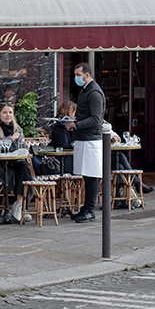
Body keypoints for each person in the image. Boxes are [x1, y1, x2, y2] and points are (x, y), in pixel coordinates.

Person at [65, 62, 105, 223]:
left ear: (86, 75)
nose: (76, 78)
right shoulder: (86, 90)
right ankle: (85, 209)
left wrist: (75, 124)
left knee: (91, 175)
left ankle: (89, 210)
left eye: (78, 75)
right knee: (86, 175)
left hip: (91, 139)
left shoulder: (94, 93)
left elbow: (96, 119)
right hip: (83, 137)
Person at [0, 102, 34, 226]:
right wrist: (11, 138)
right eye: (5, 112)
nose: (8, 115)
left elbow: (22, 147)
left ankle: (18, 206)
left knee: (23, 167)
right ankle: (16, 209)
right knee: (20, 171)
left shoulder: (17, 128)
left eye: (10, 112)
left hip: (14, 163)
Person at [48, 101, 76, 174]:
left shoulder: (73, 128)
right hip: (60, 160)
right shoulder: (59, 127)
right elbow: (63, 145)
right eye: (74, 113)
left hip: (70, 158)